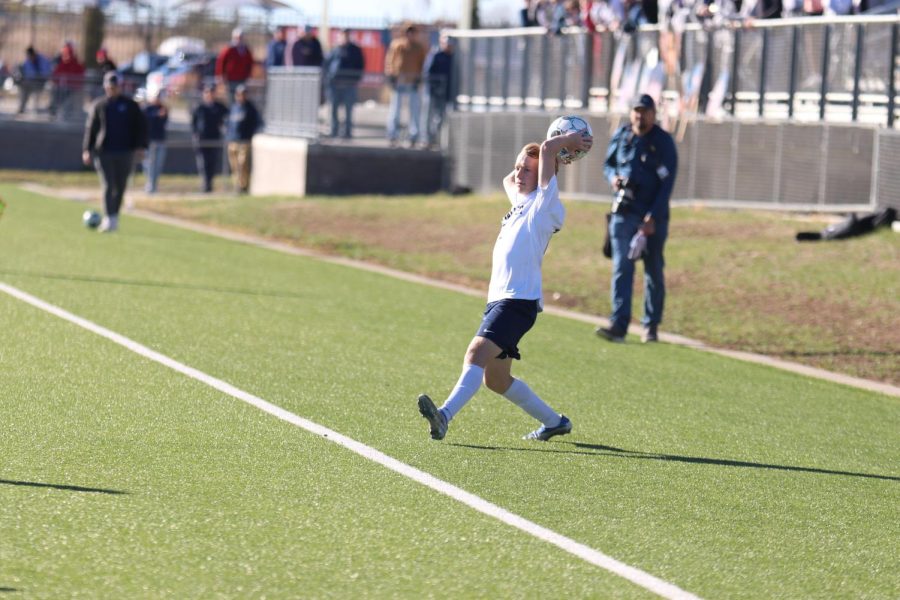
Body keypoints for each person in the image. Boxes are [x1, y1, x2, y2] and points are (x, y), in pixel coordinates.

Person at [417, 129, 593, 442]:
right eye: (518, 166)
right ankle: (555, 422)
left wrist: (562, 145)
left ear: (543, 176)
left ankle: (444, 416)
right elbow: (507, 181)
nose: (518, 173)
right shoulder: (522, 202)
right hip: (500, 300)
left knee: (476, 353)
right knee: (496, 380)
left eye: (527, 170)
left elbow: (549, 151)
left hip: (518, 301)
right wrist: (538, 160)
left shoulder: (545, 204)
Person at [598, 94, 677, 343]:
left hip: (652, 217)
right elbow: (608, 164)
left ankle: (650, 325)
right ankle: (618, 325)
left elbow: (667, 184)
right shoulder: (622, 135)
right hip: (623, 212)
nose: (640, 116)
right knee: (622, 267)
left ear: (654, 114)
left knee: (653, 269)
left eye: (645, 111)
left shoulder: (663, 142)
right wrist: (613, 178)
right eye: (636, 111)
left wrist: (652, 217)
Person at [82, 71, 147, 233]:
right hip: (104, 151)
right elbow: (91, 129)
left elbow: (140, 128)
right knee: (108, 184)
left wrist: (140, 146)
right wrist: (86, 149)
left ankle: (115, 216)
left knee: (121, 185)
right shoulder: (99, 105)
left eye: (115, 87)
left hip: (125, 151)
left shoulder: (131, 105)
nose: (112, 89)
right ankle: (108, 217)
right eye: (110, 87)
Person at [384, 25, 427, 147]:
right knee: (395, 110)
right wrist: (391, 76)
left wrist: (419, 80)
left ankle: (413, 136)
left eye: (413, 32)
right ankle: (392, 135)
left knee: (414, 111)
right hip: (399, 82)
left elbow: (422, 65)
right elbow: (390, 61)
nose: (410, 35)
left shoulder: (419, 48)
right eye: (409, 32)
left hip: (412, 83)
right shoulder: (397, 45)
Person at [323, 28, 365, 139]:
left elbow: (360, 66)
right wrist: (328, 79)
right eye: (342, 35)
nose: (344, 37)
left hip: (349, 85)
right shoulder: (334, 50)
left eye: (346, 35)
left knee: (348, 110)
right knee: (333, 110)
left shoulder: (355, 50)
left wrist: (354, 79)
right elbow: (326, 65)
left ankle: (347, 132)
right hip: (334, 85)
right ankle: (334, 130)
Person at [191, 85, 229, 193]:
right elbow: (194, 123)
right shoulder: (199, 107)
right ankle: (205, 184)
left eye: (211, 93)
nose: (209, 95)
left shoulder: (219, 107)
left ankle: (209, 184)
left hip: (214, 138)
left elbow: (227, 117)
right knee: (203, 163)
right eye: (207, 93)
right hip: (202, 140)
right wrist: (195, 135)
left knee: (212, 162)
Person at [225, 85, 262, 194]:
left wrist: (250, 134)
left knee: (242, 164)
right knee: (234, 165)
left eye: (243, 94)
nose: (241, 96)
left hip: (244, 141)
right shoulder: (234, 107)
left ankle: (243, 186)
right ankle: (237, 185)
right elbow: (228, 123)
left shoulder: (250, 108)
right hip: (233, 140)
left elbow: (257, 122)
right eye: (239, 94)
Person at [423, 35, 455, 149]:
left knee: (440, 118)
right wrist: (437, 85)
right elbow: (427, 73)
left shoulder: (453, 58)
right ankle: (427, 139)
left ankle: (435, 138)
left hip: (445, 94)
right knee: (429, 116)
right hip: (433, 92)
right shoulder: (435, 55)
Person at [216, 28, 254, 103]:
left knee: (242, 95)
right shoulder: (229, 49)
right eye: (237, 37)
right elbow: (221, 62)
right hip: (231, 78)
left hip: (242, 78)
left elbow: (250, 62)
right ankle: (232, 111)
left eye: (240, 37)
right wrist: (220, 74)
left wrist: (248, 74)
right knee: (232, 96)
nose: (239, 39)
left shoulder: (245, 49)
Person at [49, 41, 85, 119]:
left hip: (73, 90)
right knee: (56, 93)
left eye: (68, 53)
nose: (66, 56)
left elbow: (81, 76)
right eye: (65, 53)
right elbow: (55, 76)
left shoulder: (76, 64)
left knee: (68, 102)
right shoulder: (61, 64)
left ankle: (64, 113)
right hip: (61, 89)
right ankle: (54, 110)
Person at [142, 89, 168, 194]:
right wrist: (157, 115)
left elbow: (164, 123)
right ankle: (149, 185)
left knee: (158, 165)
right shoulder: (147, 108)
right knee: (149, 165)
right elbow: (146, 121)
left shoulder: (164, 109)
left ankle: (154, 185)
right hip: (150, 141)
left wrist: (163, 114)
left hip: (160, 140)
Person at [17, 46, 52, 114]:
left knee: (27, 86)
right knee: (23, 87)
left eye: (29, 55)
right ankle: (22, 108)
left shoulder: (42, 60)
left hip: (41, 82)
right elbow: (27, 74)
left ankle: (36, 109)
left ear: (33, 54)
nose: (28, 57)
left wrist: (36, 76)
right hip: (31, 83)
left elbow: (45, 73)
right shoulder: (28, 61)